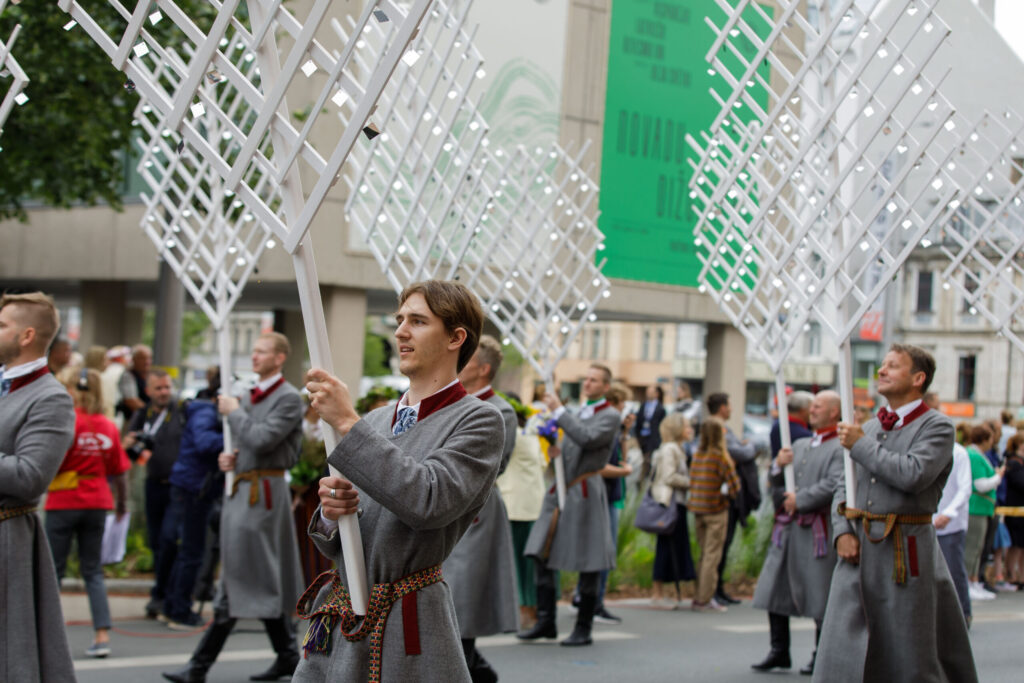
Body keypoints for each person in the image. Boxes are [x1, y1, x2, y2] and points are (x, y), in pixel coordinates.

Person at [292, 280, 504, 682]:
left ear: (456, 338)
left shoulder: (479, 420)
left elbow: (428, 501)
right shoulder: (374, 420)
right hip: (340, 610)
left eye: (418, 321)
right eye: (400, 320)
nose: (401, 332)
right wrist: (332, 514)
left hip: (408, 619)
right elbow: (339, 540)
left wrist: (347, 422)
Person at [814, 344, 977, 682]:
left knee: (908, 648)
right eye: (883, 364)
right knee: (844, 647)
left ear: (918, 379)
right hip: (858, 551)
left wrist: (860, 444)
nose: (881, 371)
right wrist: (842, 531)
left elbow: (913, 474)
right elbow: (844, 485)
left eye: (893, 365)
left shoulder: (938, 426)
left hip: (906, 551)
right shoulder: (870, 427)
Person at [163, 332, 305, 683]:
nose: (254, 356)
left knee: (246, 572)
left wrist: (235, 412)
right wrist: (231, 459)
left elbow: (262, 438)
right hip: (243, 488)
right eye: (253, 350)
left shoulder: (288, 398)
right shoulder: (248, 395)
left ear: (280, 358)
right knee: (252, 572)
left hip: (262, 494)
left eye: (262, 351)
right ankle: (287, 656)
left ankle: (200, 666)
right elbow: (247, 444)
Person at [0, 291, 77, 680]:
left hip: (7, 537)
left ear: (26, 335)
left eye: (2, 325)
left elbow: (31, 475)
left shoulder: (51, 398)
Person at [519, 364, 620, 646]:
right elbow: (572, 444)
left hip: (584, 491)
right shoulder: (578, 412)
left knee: (589, 560)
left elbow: (587, 438)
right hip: (560, 489)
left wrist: (560, 412)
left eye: (594, 380)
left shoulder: (610, 416)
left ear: (606, 387)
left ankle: (583, 628)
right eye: (586, 378)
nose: (587, 383)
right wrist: (556, 453)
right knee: (540, 549)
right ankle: (546, 621)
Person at [751, 391, 843, 675]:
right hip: (788, 529)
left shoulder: (840, 448)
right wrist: (778, 464)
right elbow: (777, 480)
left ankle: (821, 655)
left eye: (818, 406)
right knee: (775, 587)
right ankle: (779, 650)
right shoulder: (799, 444)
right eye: (811, 406)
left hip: (817, 530)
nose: (811, 410)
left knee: (820, 592)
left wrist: (800, 500)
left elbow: (834, 484)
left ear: (834, 412)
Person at [445, 335, 519, 683]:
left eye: (469, 357)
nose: (460, 361)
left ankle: (473, 670)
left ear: (484, 369)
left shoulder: (501, 411)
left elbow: (493, 466)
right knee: (448, 597)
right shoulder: (451, 401)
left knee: (464, 596)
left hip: (476, 510)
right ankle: (478, 671)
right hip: (445, 506)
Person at [45, 367, 131, 657]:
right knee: (93, 571)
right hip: (97, 501)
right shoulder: (108, 426)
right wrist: (122, 505)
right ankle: (102, 635)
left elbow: (50, 461)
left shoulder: (67, 421)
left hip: (63, 501)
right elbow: (120, 471)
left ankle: (48, 639)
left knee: (52, 572)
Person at [124, 368, 185, 618]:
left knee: (170, 539)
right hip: (153, 484)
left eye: (167, 387)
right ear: (148, 391)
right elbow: (129, 449)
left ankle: (167, 594)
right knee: (157, 541)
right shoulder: (142, 414)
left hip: (177, 486)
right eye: (158, 388)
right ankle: (160, 594)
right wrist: (128, 445)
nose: (164, 392)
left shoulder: (181, 412)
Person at [161, 392, 224, 629]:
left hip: (192, 487)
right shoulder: (205, 413)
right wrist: (232, 436)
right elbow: (205, 443)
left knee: (186, 551)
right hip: (194, 489)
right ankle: (179, 610)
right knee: (191, 552)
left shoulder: (201, 411)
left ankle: (172, 606)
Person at [496, 396, 546, 630]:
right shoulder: (532, 435)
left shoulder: (511, 435)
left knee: (517, 562)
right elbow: (543, 464)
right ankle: (529, 609)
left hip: (515, 505)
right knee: (529, 562)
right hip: (534, 504)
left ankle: (524, 611)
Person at [705, 392, 759, 605]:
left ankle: (715, 590)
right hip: (723, 498)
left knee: (720, 546)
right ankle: (712, 591)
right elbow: (742, 453)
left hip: (719, 497)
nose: (731, 409)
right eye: (729, 405)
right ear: (722, 408)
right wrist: (749, 446)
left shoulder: (718, 428)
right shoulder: (719, 429)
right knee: (719, 546)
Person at [927, 393, 974, 625]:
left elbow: (965, 488)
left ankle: (963, 614)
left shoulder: (959, 453)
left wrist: (949, 513)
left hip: (951, 524)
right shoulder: (928, 450)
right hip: (928, 522)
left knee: (954, 570)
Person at [688, 417, 740, 612]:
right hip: (716, 509)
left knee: (703, 554)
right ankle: (705, 598)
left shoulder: (697, 455)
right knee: (712, 556)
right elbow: (734, 486)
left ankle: (698, 595)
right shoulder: (721, 457)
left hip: (698, 509)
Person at [649, 412, 696, 608]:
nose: (690, 430)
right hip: (671, 504)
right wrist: (692, 482)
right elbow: (668, 477)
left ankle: (664, 592)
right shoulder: (670, 449)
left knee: (673, 548)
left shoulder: (678, 448)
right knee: (666, 548)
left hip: (676, 503)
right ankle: (657, 594)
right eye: (686, 426)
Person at [965, 424, 1003, 601]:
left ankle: (974, 582)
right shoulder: (974, 456)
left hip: (982, 507)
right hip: (976, 507)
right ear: (985, 439)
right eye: (990, 439)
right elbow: (980, 485)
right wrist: (998, 477)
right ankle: (968, 582)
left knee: (978, 547)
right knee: (972, 547)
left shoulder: (977, 455)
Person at [1002, 434, 1024, 588]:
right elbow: (1020, 483)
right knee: (1015, 544)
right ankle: (1011, 575)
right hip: (1015, 508)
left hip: (1020, 508)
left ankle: (1021, 576)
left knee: (1021, 546)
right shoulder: (1013, 462)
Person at [634, 384, 666, 482]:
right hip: (643, 436)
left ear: (656, 394)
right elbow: (639, 421)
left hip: (653, 438)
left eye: (651, 392)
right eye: (647, 392)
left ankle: (642, 478)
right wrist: (638, 435)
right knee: (645, 457)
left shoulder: (660, 408)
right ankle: (646, 477)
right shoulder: (643, 405)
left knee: (647, 458)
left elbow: (662, 424)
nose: (648, 394)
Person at [768, 390, 813, 459]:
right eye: (811, 408)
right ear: (803, 411)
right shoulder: (802, 434)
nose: (813, 411)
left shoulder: (780, 424)